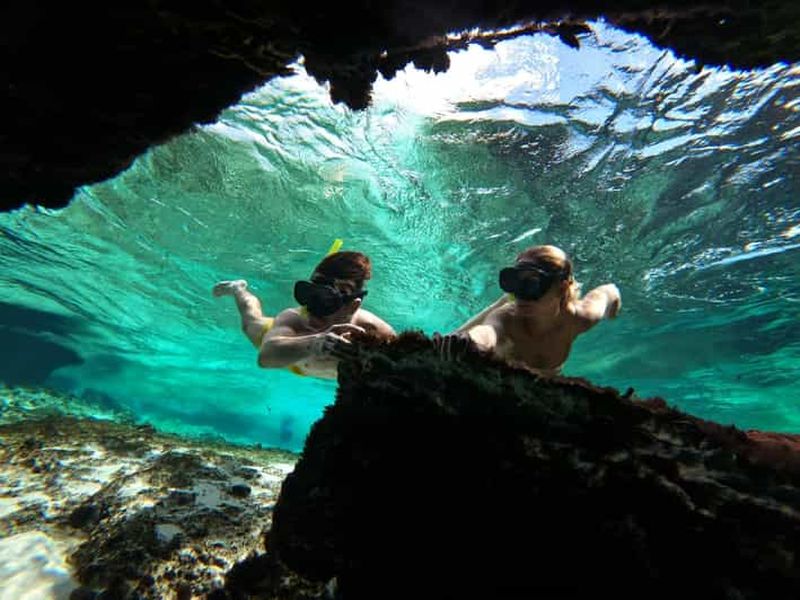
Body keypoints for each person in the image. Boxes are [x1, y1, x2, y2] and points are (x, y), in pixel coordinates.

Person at [437, 245, 621, 376]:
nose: (521, 296)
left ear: (562, 287)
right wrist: (469, 342)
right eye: (514, 283)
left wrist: (613, 311)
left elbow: (609, 291)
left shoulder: (579, 318)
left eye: (532, 284)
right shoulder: (507, 317)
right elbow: (488, 332)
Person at [213, 248, 396, 379]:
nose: (312, 310)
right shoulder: (294, 319)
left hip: (310, 366)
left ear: (353, 306)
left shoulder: (375, 331)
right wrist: (315, 343)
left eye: (327, 302)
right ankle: (238, 290)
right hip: (291, 356)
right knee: (250, 323)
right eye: (310, 295)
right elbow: (265, 357)